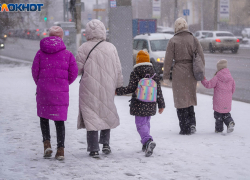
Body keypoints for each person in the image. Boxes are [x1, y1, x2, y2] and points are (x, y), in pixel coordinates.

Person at [76, 19, 123, 158]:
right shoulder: (111, 47)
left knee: (91, 115)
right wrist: (118, 86)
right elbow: (118, 69)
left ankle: (93, 148)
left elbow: (78, 69)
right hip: (108, 85)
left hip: (88, 86)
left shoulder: (83, 48)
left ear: (88, 32)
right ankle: (106, 144)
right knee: (105, 111)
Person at [31, 26, 78, 160]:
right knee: (59, 120)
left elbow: (35, 71)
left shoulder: (40, 53)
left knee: (44, 117)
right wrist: (64, 82)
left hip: (44, 90)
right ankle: (61, 150)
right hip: (60, 92)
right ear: (61, 37)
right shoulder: (67, 54)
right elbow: (74, 72)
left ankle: (47, 144)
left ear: (49, 36)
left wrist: (41, 83)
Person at [116, 50, 165, 157]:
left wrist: (118, 91)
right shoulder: (154, 73)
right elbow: (159, 90)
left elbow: (131, 88)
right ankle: (145, 144)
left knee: (140, 124)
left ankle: (147, 141)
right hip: (151, 104)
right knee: (146, 123)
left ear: (137, 61)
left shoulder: (135, 72)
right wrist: (161, 105)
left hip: (139, 103)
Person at [163, 17, 205, 135]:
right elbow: (201, 57)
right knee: (190, 98)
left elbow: (168, 60)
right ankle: (192, 124)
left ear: (176, 27)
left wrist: (166, 75)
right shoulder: (193, 39)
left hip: (179, 72)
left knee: (180, 100)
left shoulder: (173, 41)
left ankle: (184, 127)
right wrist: (201, 71)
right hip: (191, 72)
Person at [201, 59, 235, 133]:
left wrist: (203, 79)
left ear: (219, 68)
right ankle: (230, 122)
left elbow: (208, 85)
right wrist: (228, 96)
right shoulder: (231, 78)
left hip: (218, 101)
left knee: (218, 116)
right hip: (227, 100)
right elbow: (233, 88)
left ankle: (218, 130)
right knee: (226, 114)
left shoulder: (217, 77)